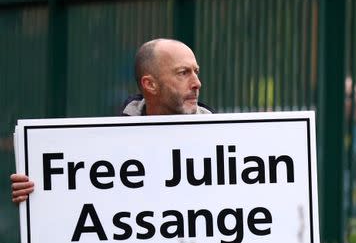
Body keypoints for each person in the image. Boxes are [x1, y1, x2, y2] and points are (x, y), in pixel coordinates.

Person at [10, 38, 212, 203]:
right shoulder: (106, 147)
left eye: (196, 71)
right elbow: (73, 194)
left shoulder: (222, 141)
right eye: (183, 73)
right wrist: (35, 193)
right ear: (150, 85)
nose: (197, 83)